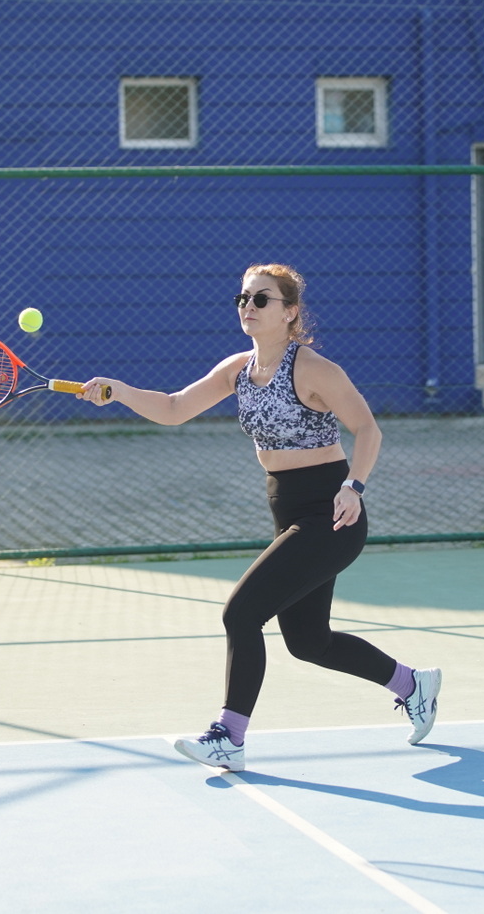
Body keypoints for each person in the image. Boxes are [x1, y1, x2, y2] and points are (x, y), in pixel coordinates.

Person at [75, 263, 440, 771]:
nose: (248, 306)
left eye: (261, 299)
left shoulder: (314, 370)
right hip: (287, 509)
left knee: (240, 613)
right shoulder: (238, 370)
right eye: (243, 298)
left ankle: (229, 735)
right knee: (309, 641)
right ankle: (413, 685)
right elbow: (175, 407)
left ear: (290, 312)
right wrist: (119, 390)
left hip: (332, 514)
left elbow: (368, 430)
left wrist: (353, 487)